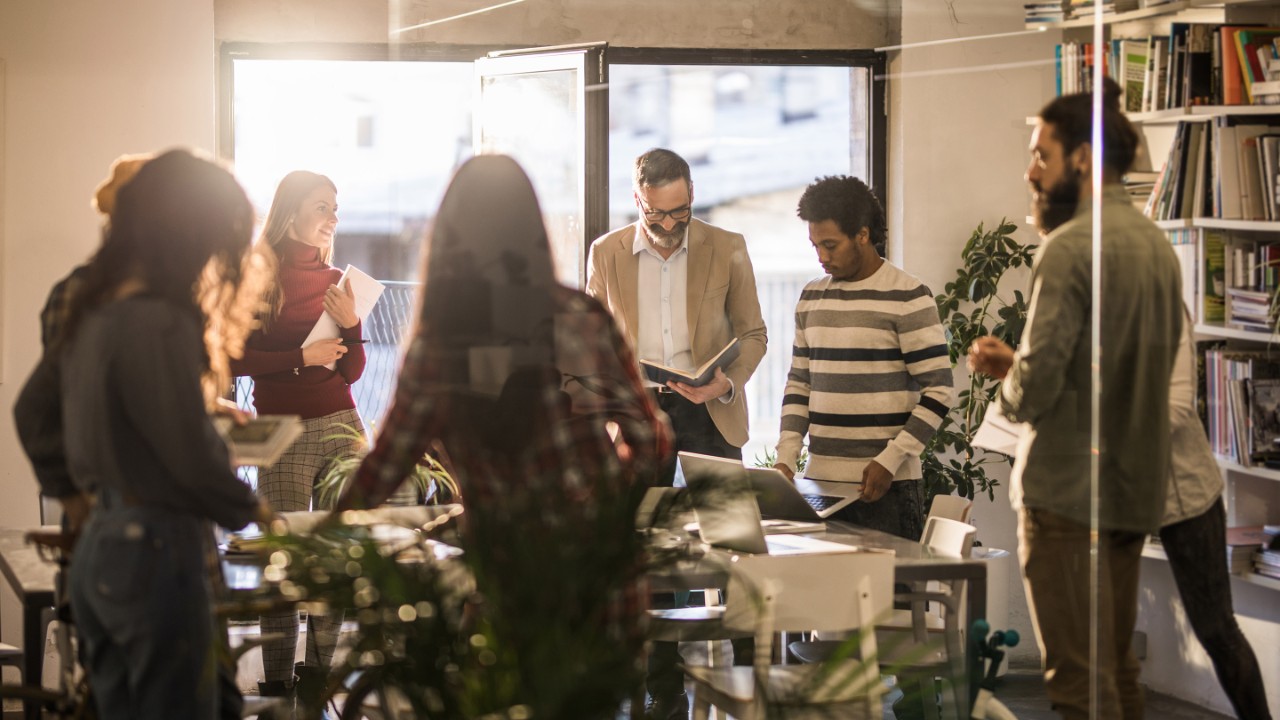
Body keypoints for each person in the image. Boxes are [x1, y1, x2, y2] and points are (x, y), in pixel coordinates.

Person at [332, 154, 671, 716]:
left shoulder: (443, 343)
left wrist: (318, 539)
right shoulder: (579, 317)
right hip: (604, 583)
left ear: (449, 242)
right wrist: (602, 498)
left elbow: (385, 466)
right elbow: (652, 438)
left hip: (512, 585)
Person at [968, 79, 1183, 720]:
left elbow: (1032, 394)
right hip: (1129, 490)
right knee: (1116, 672)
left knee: (1073, 684)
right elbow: (1118, 368)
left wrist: (1006, 372)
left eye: (1042, 154)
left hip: (1064, 494)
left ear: (1083, 158)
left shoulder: (1067, 250)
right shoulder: (1155, 243)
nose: (1029, 170)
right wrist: (1026, 365)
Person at [53, 148, 272, 720]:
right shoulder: (157, 320)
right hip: (152, 552)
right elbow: (190, 458)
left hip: (101, 548)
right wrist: (253, 509)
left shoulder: (91, 309)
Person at [587, 147, 767, 718]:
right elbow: (591, 339)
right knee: (650, 552)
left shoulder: (728, 246)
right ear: (637, 199)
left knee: (735, 544)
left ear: (691, 196)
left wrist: (724, 384)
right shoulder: (607, 252)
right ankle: (661, 686)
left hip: (710, 409)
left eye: (680, 213)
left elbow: (755, 334)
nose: (669, 226)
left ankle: (746, 674)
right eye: (657, 214)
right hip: (641, 416)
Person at [229, 170, 366, 715]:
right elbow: (234, 356)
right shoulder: (257, 277)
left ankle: (319, 678)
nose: (333, 216)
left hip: (342, 425)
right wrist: (297, 359)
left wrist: (352, 325)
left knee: (336, 558)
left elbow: (353, 371)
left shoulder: (340, 281)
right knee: (283, 560)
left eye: (336, 206)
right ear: (290, 213)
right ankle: (277, 687)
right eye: (321, 206)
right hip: (282, 433)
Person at [772, 175, 953, 542]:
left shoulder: (909, 296)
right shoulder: (811, 298)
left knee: (890, 601)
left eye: (831, 245)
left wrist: (891, 460)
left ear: (863, 235)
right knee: (826, 598)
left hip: (887, 491)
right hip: (817, 488)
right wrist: (785, 460)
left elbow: (940, 392)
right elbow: (799, 385)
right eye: (815, 246)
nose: (822, 257)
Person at [1160, 309, 1273, 720]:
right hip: (1125, 491)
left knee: (1217, 631)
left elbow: (1172, 409)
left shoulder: (1159, 294)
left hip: (1186, 490)